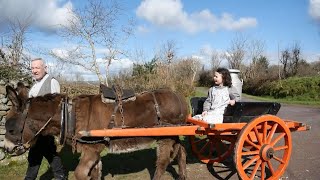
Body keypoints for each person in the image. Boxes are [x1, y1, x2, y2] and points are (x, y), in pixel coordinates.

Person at [26, 58, 65, 180]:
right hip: (35, 129)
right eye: (32, 68)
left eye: (37, 67)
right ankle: (61, 176)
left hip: (45, 128)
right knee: (48, 153)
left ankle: (29, 178)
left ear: (45, 68)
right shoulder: (34, 86)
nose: (34, 71)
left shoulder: (52, 82)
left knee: (36, 155)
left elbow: (55, 107)